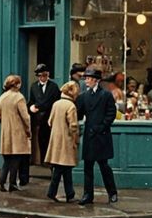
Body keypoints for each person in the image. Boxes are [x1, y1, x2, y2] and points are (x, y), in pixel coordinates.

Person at [74, 69, 117, 204]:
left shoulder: (106, 95)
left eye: (88, 78)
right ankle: (88, 195)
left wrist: (102, 126)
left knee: (104, 166)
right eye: (85, 78)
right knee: (88, 166)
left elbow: (111, 114)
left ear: (96, 80)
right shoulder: (83, 96)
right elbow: (79, 113)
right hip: (89, 135)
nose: (86, 81)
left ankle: (112, 193)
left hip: (101, 135)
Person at [43, 81, 80, 203]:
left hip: (56, 140)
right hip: (67, 141)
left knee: (60, 169)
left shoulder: (56, 104)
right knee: (64, 169)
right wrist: (76, 140)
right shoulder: (71, 106)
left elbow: (49, 121)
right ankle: (64, 194)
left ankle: (67, 194)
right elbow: (73, 126)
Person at [0, 74, 30, 192]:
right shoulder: (19, 98)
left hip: (6, 132)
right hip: (17, 131)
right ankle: (12, 183)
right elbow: (25, 117)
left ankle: (2, 180)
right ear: (17, 84)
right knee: (16, 158)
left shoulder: (2, 97)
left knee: (7, 159)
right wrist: (28, 130)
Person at [27, 64, 60, 175]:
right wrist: (31, 107)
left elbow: (54, 102)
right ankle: (40, 161)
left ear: (48, 75)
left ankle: (49, 163)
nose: (42, 78)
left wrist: (39, 107)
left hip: (49, 117)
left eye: (44, 75)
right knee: (39, 140)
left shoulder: (54, 87)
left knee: (49, 140)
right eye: (40, 76)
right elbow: (31, 100)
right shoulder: (34, 87)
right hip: (37, 118)